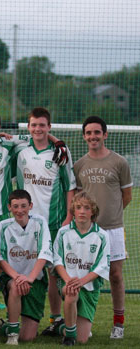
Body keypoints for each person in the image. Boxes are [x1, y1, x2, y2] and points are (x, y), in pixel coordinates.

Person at [15, 107, 76, 335]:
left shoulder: (60, 152)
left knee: (56, 273)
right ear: (28, 127)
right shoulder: (21, 151)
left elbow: (70, 186)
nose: (38, 129)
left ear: (49, 127)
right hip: (27, 224)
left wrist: (68, 217)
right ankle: (22, 318)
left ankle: (59, 318)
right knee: (29, 268)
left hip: (54, 222)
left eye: (42, 125)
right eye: (34, 125)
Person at [73, 116, 132, 339]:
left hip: (113, 229)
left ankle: (118, 324)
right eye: (88, 133)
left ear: (105, 135)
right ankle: (83, 324)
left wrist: (111, 214)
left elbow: (127, 196)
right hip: (88, 231)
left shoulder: (119, 162)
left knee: (115, 275)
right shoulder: (80, 165)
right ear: (84, 136)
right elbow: (79, 199)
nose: (92, 136)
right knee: (85, 275)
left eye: (97, 132)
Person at [0, 189, 53, 345]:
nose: (19, 210)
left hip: (35, 280)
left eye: (23, 206)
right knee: (14, 286)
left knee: (28, 337)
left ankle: (4, 327)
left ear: (30, 206)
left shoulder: (40, 222)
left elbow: (45, 253)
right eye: (15, 206)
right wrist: (18, 277)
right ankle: (12, 334)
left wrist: (30, 278)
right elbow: (0, 258)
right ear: (9, 207)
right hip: (12, 278)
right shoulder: (3, 226)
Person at [53, 192, 110, 345]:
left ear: (93, 211)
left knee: (83, 339)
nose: (82, 211)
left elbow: (103, 266)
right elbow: (56, 260)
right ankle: (69, 337)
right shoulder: (63, 232)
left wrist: (82, 281)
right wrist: (69, 281)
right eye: (78, 207)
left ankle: (61, 327)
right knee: (71, 292)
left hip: (89, 287)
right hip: (67, 283)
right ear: (73, 210)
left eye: (86, 208)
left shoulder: (102, 236)